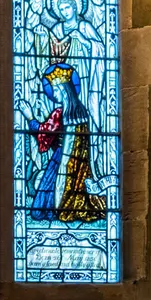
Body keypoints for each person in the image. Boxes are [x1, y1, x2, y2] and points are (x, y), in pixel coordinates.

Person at [26, 51, 107, 225]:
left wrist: (30, 117)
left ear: (64, 90)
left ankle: (58, 209)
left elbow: (45, 134)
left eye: (56, 90)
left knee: (40, 208)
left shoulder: (60, 113)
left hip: (61, 158)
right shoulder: (81, 112)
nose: (54, 94)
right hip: (80, 163)